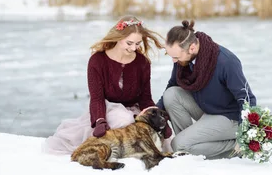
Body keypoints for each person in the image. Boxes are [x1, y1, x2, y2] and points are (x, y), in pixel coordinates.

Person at [43, 15, 172, 155]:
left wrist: (156, 115)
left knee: (167, 139)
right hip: (107, 110)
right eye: (129, 43)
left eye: (137, 44)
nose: (133, 48)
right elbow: (96, 98)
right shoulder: (97, 61)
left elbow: (145, 98)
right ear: (118, 38)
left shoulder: (142, 63)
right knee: (123, 119)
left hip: (133, 111)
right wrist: (100, 121)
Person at [156, 19, 257, 160]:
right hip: (207, 109)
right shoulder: (183, 58)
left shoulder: (226, 61)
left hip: (230, 117)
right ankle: (188, 145)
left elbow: (246, 98)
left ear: (192, 48)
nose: (174, 61)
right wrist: (154, 111)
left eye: (176, 57)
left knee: (178, 145)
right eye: (171, 56)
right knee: (171, 94)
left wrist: (246, 133)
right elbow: (174, 83)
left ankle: (235, 148)